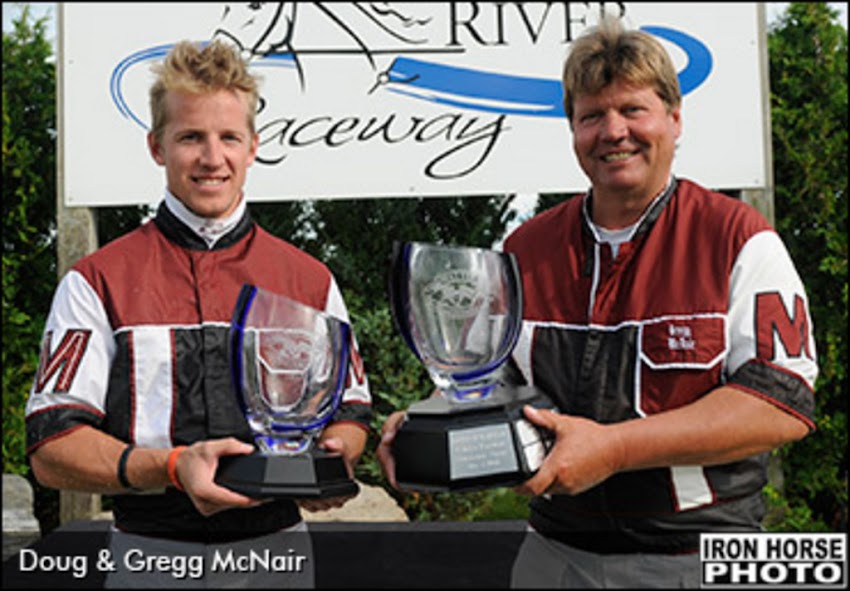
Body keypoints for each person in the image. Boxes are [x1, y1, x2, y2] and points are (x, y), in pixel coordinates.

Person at [378, 16, 817, 588]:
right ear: (573, 131)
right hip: (554, 553)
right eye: (591, 116)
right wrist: (423, 429)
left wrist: (613, 449)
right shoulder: (524, 249)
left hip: (697, 556)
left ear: (674, 120)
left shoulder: (738, 237)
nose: (613, 131)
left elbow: (779, 405)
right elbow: (492, 382)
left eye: (632, 109)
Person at [25, 39, 372, 587]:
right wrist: (170, 468)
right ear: (156, 146)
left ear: (253, 146)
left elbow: (351, 413)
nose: (213, 158)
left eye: (228, 137)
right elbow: (51, 448)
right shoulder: (95, 280)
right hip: (149, 552)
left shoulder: (309, 279)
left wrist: (332, 462)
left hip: (275, 552)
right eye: (191, 137)